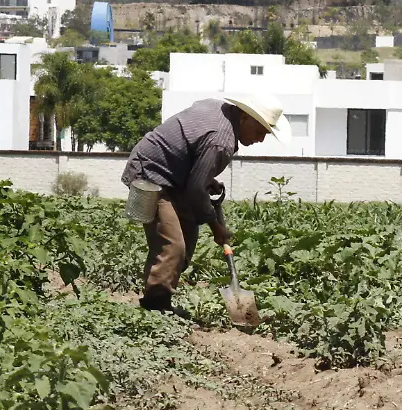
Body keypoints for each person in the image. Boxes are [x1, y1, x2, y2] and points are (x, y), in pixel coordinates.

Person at [121, 93, 290, 317]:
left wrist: (206, 178)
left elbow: (191, 152)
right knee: (173, 244)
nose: (261, 139)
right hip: (150, 174)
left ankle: (162, 295)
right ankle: (155, 307)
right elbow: (195, 191)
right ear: (244, 117)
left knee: (188, 233)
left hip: (173, 176)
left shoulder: (220, 109)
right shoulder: (222, 142)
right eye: (259, 132)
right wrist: (215, 226)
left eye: (265, 134)